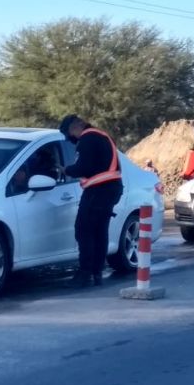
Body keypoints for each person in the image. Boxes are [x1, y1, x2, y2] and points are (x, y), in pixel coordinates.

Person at [59, 114, 123, 287]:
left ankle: (85, 273)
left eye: (70, 136)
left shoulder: (87, 139)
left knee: (84, 230)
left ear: (74, 128)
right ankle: (97, 273)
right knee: (99, 231)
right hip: (111, 189)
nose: (71, 140)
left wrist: (67, 170)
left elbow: (84, 167)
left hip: (98, 191)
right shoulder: (102, 135)